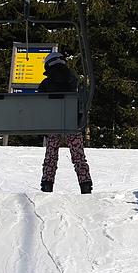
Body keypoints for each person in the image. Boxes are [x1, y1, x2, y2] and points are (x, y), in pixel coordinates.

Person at [38, 51, 91, 194]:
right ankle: (85, 184)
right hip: (72, 123)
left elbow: (40, 106)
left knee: (51, 155)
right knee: (78, 156)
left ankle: (47, 184)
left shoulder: (46, 84)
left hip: (52, 124)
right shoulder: (74, 81)